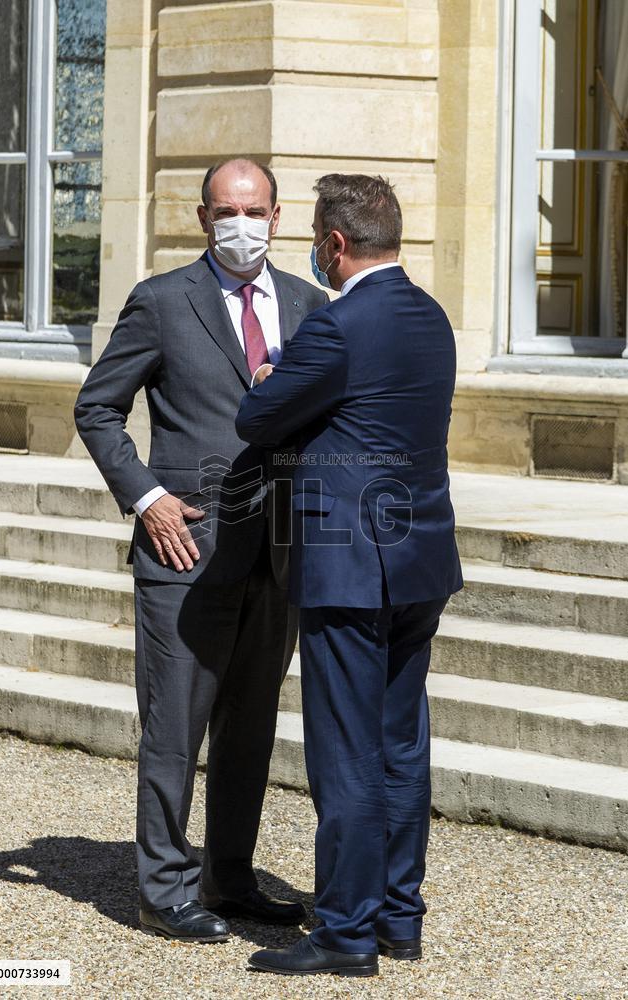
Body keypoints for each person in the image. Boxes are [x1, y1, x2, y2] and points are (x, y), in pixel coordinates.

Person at [74, 158, 328, 943]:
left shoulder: (309, 305)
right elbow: (97, 408)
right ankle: (162, 888)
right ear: (201, 217)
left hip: (277, 555)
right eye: (225, 210)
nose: (240, 225)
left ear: (279, 217)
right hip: (183, 553)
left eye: (253, 210)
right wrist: (146, 498)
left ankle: (228, 877)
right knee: (175, 729)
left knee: (250, 726)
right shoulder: (160, 302)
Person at [236, 173, 463, 977]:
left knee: (345, 752)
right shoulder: (432, 317)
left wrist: (272, 380)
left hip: (346, 563)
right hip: (421, 557)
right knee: (401, 743)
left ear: (334, 245)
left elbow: (256, 422)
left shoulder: (336, 327)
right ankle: (400, 918)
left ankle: (342, 934)